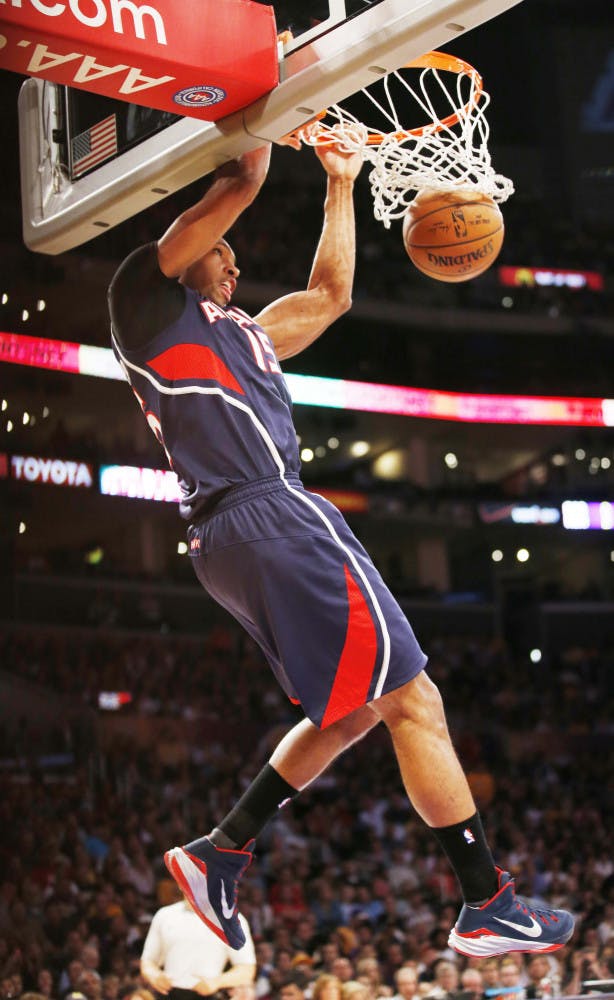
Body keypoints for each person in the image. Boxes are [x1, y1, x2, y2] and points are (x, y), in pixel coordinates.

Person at [107, 137, 574, 960]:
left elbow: (330, 294)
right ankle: (486, 902)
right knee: (415, 701)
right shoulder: (146, 302)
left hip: (235, 539)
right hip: (268, 511)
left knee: (354, 710)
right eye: (225, 249)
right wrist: (263, 102)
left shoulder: (245, 333)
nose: (236, 263)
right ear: (185, 245)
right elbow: (242, 178)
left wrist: (340, 178)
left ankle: (221, 852)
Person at [140, 889, 256, 1000]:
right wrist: (155, 976)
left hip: (209, 995)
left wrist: (216, 982)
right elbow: (147, 962)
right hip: (168, 993)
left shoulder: (230, 920)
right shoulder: (164, 915)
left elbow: (247, 969)